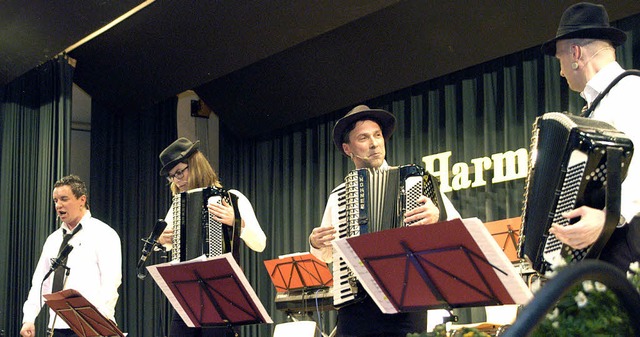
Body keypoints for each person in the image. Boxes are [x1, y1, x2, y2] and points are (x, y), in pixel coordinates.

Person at [308, 105, 461, 337]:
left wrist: (438, 218)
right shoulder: (339, 196)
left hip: (406, 305)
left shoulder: (416, 180)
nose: (374, 143)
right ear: (347, 148)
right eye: (364, 137)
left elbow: (458, 231)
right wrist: (316, 244)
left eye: (378, 135)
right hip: (356, 306)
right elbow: (328, 256)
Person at [541, 2, 640, 271]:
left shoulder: (631, 90)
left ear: (575, 53)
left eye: (560, 59)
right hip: (610, 247)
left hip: (631, 243)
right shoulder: (595, 109)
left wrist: (610, 216)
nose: (561, 72)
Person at [157, 137, 266, 337]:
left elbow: (260, 243)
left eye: (180, 172)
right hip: (187, 293)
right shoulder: (177, 205)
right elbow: (164, 244)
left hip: (221, 294)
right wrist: (162, 241)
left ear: (196, 165)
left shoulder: (233, 197)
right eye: (172, 176)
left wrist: (237, 222)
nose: (177, 180)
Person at [20, 175, 122, 337]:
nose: (58, 205)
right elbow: (41, 282)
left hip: (91, 326)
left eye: (64, 199)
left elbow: (111, 281)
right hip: (57, 326)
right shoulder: (53, 240)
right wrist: (29, 318)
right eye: (55, 200)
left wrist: (98, 322)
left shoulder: (103, 233)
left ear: (82, 200)